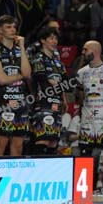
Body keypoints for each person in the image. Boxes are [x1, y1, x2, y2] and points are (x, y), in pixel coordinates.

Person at [76, 41, 103, 193]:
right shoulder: (81, 72)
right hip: (87, 118)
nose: (83, 52)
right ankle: (85, 189)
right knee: (85, 153)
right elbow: (80, 96)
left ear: (95, 50)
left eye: (85, 49)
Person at [0, 15, 31, 157]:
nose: (13, 30)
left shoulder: (20, 51)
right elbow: (1, 79)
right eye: (8, 27)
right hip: (3, 103)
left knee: (18, 146)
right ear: (0, 30)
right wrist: (20, 75)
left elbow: (28, 73)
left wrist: (22, 47)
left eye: (14, 27)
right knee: (1, 143)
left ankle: (14, 171)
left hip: (21, 103)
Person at [29, 27, 68, 155]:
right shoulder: (38, 58)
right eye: (51, 38)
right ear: (43, 40)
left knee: (53, 142)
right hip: (43, 104)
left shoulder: (58, 63)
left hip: (57, 104)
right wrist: (57, 84)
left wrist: (64, 99)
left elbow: (66, 83)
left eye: (56, 38)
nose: (54, 41)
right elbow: (42, 79)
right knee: (43, 139)